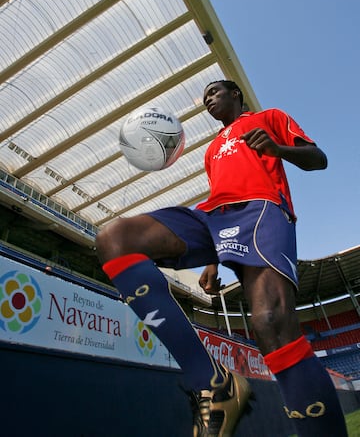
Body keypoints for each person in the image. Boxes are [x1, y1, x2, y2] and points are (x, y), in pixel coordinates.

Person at [95, 80, 348, 437]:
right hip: (215, 217)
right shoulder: (212, 149)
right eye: (204, 98)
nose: (208, 101)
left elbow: (317, 160)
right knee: (115, 238)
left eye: (215, 93)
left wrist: (277, 149)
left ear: (236, 95)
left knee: (271, 321)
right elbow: (220, 194)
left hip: (261, 210)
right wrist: (212, 262)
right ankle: (213, 383)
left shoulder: (270, 117)